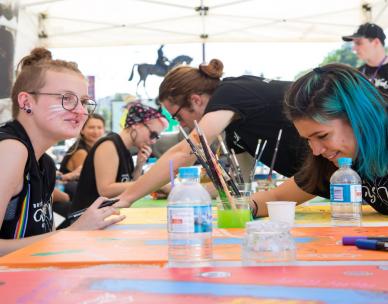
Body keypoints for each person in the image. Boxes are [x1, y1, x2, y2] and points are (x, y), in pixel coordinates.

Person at [115, 59, 307, 207]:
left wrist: (127, 197)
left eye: (177, 116)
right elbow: (236, 183)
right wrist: (189, 191)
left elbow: (184, 152)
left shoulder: (230, 93)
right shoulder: (234, 122)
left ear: (196, 100)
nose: (181, 124)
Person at [0, 48, 125, 256]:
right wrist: (74, 231)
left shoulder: (45, 163)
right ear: (26, 102)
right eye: (66, 98)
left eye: (84, 101)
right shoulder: (11, 151)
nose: (81, 111)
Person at [250, 63, 387, 217]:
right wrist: (244, 207)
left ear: (358, 117)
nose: (316, 151)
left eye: (322, 136)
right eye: (308, 139)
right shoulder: (340, 162)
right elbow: (276, 198)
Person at [71, 102, 168, 212]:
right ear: (137, 124)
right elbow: (105, 190)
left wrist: (139, 166)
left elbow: (128, 185)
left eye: (157, 137)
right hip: (85, 219)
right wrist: (152, 184)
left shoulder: (125, 149)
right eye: (153, 134)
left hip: (102, 215)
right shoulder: (109, 145)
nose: (153, 141)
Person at [342, 23, 388, 94]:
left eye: (358, 43)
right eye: (354, 44)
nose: (354, 48)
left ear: (376, 42)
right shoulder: (356, 74)